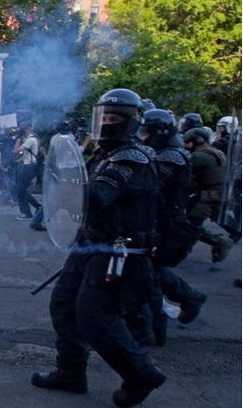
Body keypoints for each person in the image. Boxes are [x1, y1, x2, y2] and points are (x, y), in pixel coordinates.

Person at [32, 88, 165, 407]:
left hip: (118, 251)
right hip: (91, 244)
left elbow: (97, 196)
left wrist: (60, 188)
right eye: (102, 116)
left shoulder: (133, 158)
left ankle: (140, 373)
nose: (106, 123)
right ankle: (71, 373)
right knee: (63, 305)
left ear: (131, 121)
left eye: (114, 118)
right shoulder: (105, 154)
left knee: (95, 315)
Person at [124, 109, 205, 346]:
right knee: (151, 270)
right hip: (155, 220)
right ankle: (188, 297)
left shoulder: (171, 157)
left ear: (159, 131)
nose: (143, 137)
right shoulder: (164, 152)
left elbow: (148, 185)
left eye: (146, 133)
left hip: (167, 224)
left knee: (148, 275)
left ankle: (155, 330)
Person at [183, 127, 236, 262]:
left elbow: (182, 175)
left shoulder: (199, 156)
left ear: (197, 141)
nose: (185, 145)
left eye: (188, 142)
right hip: (220, 193)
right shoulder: (215, 152)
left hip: (210, 195)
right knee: (219, 217)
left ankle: (219, 242)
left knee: (190, 223)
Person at [14, 124, 42, 220]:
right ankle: (36, 207)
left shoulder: (31, 139)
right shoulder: (32, 139)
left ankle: (29, 212)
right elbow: (26, 155)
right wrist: (16, 162)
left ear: (28, 129)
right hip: (30, 166)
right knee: (21, 189)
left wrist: (18, 140)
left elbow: (16, 150)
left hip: (29, 167)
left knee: (20, 189)